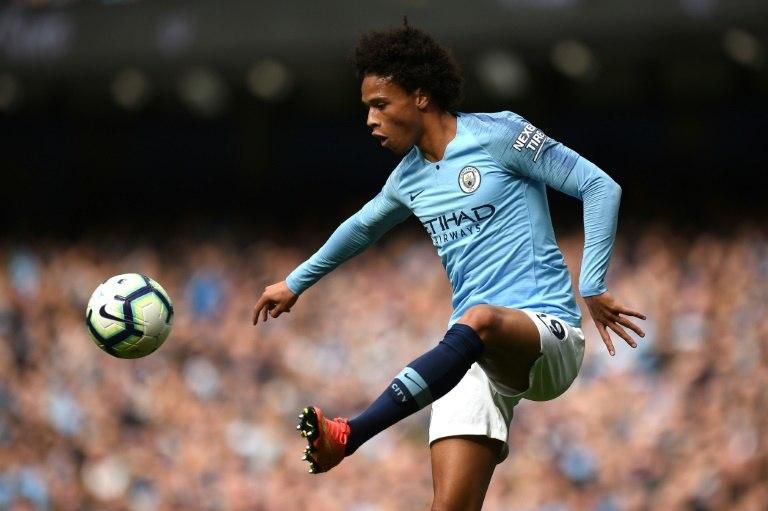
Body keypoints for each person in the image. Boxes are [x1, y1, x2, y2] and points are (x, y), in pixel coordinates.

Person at [253, 22, 646, 511]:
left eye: (380, 104)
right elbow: (360, 228)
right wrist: (294, 282)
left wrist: (592, 283)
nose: (370, 121)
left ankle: (350, 434)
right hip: (473, 356)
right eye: (367, 109)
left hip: (548, 335)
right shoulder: (407, 179)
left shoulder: (501, 134)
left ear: (420, 96)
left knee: (477, 318)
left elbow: (600, 187)